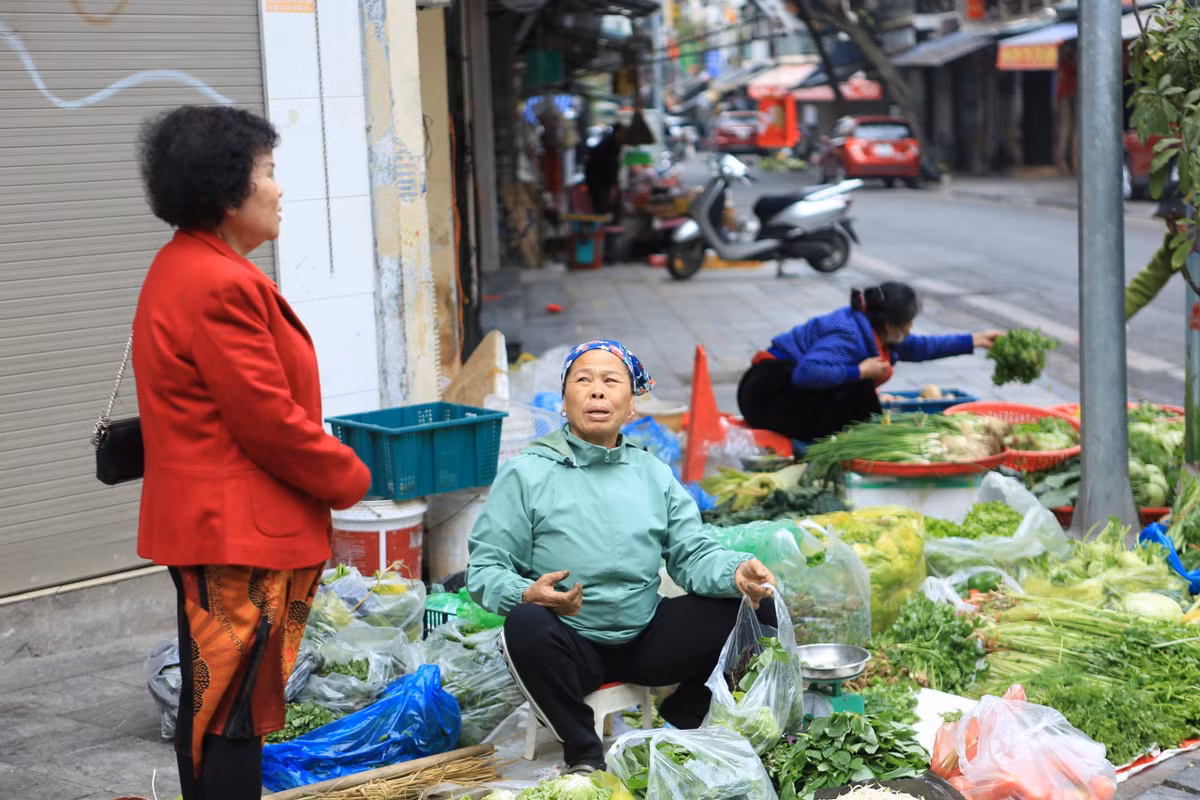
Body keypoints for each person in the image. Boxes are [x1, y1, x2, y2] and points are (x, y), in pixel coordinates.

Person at [132, 105, 371, 800]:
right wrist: (349, 474)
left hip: (220, 526)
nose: (278, 188)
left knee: (215, 705)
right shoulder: (218, 283)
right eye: (267, 172)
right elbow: (268, 421)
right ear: (225, 188)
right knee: (231, 711)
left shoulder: (189, 265)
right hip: (237, 533)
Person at [467, 339, 777, 774]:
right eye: (583, 380)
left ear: (631, 407)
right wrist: (528, 592)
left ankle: (681, 720)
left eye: (611, 381)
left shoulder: (653, 473)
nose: (597, 391)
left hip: (646, 638)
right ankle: (582, 750)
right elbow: (484, 569)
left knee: (759, 609)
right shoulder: (526, 473)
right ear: (564, 402)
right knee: (525, 624)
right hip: (570, 645)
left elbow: (691, 554)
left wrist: (735, 571)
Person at [737, 283, 1002, 442]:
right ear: (890, 324)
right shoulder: (850, 334)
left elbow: (922, 347)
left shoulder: (878, 332)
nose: (911, 329)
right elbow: (806, 373)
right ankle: (815, 448)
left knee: (859, 391)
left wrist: (975, 340)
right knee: (859, 391)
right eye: (909, 323)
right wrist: (859, 370)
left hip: (782, 389)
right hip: (766, 393)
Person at [1126, 160, 1186, 320]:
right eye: (1170, 221)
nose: (1177, 229)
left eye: (1183, 220)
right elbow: (1146, 283)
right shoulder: (1175, 245)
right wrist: (1107, 322)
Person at [584, 123, 625, 217]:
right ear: (617, 133)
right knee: (603, 208)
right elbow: (611, 167)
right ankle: (603, 228)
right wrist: (613, 186)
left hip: (597, 179)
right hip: (598, 179)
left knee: (603, 207)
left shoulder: (610, 144)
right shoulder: (611, 145)